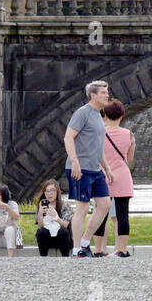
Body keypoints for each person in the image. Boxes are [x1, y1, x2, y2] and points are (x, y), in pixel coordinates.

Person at [64, 80, 116, 258]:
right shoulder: (82, 113)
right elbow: (68, 137)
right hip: (80, 168)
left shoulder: (98, 115)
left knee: (105, 204)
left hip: (95, 169)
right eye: (103, 92)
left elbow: (97, 146)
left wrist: (107, 168)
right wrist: (74, 161)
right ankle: (77, 248)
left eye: (106, 92)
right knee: (83, 208)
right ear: (93, 95)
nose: (107, 95)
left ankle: (86, 242)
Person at [92, 99, 134, 258]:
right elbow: (129, 158)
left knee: (100, 214)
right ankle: (122, 250)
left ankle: (98, 250)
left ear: (105, 115)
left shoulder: (98, 133)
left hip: (102, 175)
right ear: (121, 115)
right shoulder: (128, 134)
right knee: (123, 215)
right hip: (122, 176)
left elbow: (95, 156)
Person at [34, 179, 74, 257]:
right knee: (41, 232)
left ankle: (65, 258)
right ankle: (43, 258)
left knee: (63, 231)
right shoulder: (41, 205)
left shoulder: (64, 205)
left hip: (61, 237)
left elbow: (66, 225)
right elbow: (41, 226)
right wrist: (40, 213)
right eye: (47, 191)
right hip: (48, 237)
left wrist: (56, 218)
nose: (50, 194)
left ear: (57, 192)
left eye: (52, 191)